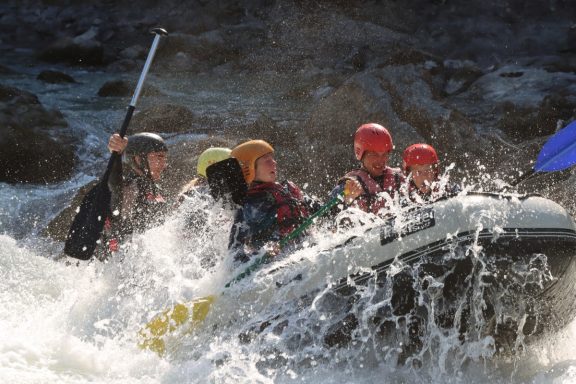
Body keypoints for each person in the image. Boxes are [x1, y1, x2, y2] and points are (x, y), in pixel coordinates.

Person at [228, 140, 321, 264]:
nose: (274, 162)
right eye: (267, 160)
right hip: (276, 266)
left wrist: (346, 198)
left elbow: (321, 210)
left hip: (305, 252)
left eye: (273, 158)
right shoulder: (250, 206)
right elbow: (234, 253)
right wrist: (260, 254)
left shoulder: (287, 189)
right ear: (249, 168)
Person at [97, 132, 168, 260]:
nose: (164, 164)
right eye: (159, 157)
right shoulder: (127, 186)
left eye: (164, 158)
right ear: (138, 159)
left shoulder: (152, 187)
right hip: (114, 268)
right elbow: (115, 186)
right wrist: (115, 154)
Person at [331, 123, 404, 215]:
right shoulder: (349, 186)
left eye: (384, 154)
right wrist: (346, 201)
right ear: (360, 154)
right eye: (374, 155)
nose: (380, 160)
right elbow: (328, 217)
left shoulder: (398, 178)